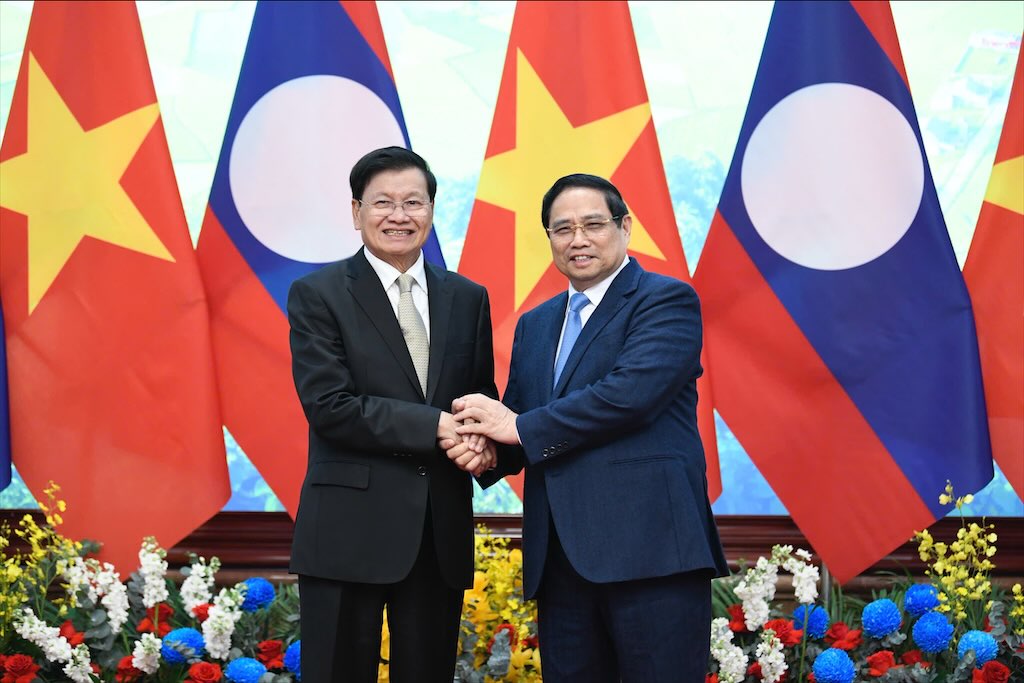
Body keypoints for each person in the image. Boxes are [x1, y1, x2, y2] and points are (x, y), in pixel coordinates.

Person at [448, 173, 729, 682]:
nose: (577, 239)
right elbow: (519, 422)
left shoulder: (665, 301)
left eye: (593, 224)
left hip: (651, 554)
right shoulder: (537, 323)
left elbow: (628, 398)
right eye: (562, 229)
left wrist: (514, 428)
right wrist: (481, 446)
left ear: (625, 228)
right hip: (561, 563)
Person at [287, 146, 497, 682]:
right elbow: (329, 406)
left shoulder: (468, 298)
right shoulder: (319, 294)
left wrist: (485, 444)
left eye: (413, 202)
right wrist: (437, 427)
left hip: (438, 531)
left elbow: (478, 399)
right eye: (383, 203)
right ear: (356, 211)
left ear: (431, 211)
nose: (399, 216)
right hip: (346, 533)